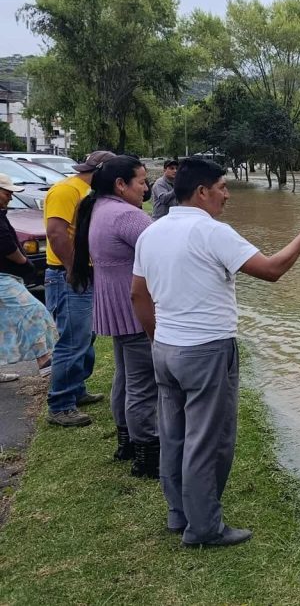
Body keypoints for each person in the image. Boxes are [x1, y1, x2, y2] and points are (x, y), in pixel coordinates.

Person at [131, 157, 300, 547]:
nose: (227, 197)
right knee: (208, 440)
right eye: (223, 188)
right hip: (206, 350)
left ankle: (178, 514)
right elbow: (271, 270)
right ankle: (204, 528)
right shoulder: (212, 232)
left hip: (166, 349)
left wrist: (158, 338)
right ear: (202, 191)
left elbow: (138, 294)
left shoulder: (151, 232)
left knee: (174, 436)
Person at [69, 156, 159, 477]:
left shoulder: (99, 209)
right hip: (134, 309)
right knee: (142, 386)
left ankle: (127, 442)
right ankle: (147, 454)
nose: (146, 188)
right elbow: (167, 249)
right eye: (141, 182)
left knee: (126, 378)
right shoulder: (126, 215)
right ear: (121, 185)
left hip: (116, 307)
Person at [44, 149, 116, 427]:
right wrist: (74, 269)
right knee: (72, 340)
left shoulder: (88, 192)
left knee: (86, 336)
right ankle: (60, 404)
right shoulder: (66, 190)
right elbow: (56, 232)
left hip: (84, 273)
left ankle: (76, 389)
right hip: (67, 275)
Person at [0, 173, 55, 381]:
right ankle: (44, 361)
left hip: (7, 275)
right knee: (34, 311)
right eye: (7, 193)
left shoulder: (2, 213)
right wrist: (24, 262)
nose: (10, 197)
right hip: (3, 277)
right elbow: (5, 245)